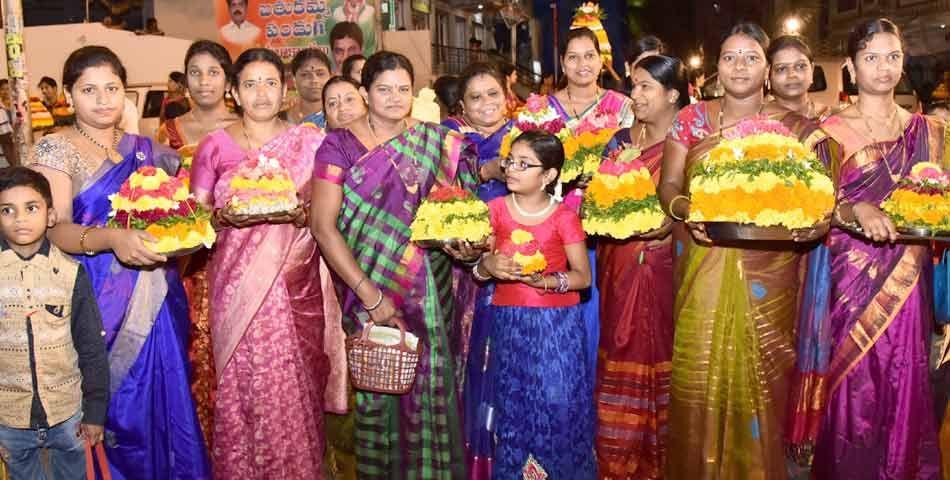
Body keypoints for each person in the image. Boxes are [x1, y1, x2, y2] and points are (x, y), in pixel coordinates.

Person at [28, 45, 210, 479]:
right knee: (112, 407)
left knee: (163, 394)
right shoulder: (56, 150)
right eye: (89, 89)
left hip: (155, 294)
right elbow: (54, 229)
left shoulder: (149, 150)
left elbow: (174, 216)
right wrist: (112, 239)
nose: (103, 98)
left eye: (112, 88)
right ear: (69, 97)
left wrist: (188, 236)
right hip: (94, 298)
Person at [657, 23, 827, 478]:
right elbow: (669, 182)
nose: (739, 66)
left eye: (751, 57)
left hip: (769, 271)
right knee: (699, 366)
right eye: (730, 57)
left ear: (767, 70)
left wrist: (810, 226)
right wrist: (683, 206)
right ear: (716, 69)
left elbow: (816, 198)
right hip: (701, 257)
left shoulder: (796, 129)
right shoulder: (691, 119)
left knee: (764, 374)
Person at [311, 50, 477, 478]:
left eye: (404, 88)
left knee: (430, 386)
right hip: (366, 288)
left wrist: (466, 243)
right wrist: (370, 295)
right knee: (378, 393)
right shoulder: (338, 144)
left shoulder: (434, 140)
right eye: (383, 89)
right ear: (364, 92)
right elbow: (323, 226)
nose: (394, 97)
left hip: (429, 290)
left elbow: (454, 209)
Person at [810, 18, 945, 479]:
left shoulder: (930, 132)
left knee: (907, 376)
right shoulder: (828, 133)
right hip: (850, 280)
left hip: (909, 281)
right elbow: (811, 207)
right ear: (850, 67)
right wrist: (853, 210)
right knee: (853, 389)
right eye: (871, 57)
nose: (883, 67)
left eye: (892, 56)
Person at [190, 48, 329, 478]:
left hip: (295, 282)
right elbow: (194, 221)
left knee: (294, 384)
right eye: (250, 84)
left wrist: (300, 215)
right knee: (243, 386)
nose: (262, 93)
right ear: (233, 92)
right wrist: (221, 217)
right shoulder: (214, 146)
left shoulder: (310, 142)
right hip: (235, 287)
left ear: (286, 89)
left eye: (270, 82)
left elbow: (325, 213)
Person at [473, 130, 594, 478]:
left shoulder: (563, 218)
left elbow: (583, 277)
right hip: (510, 322)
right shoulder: (494, 211)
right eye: (511, 161)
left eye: (524, 165)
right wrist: (487, 266)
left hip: (557, 328)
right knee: (514, 405)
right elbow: (478, 273)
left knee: (558, 403)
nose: (511, 169)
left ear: (549, 175)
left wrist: (544, 282)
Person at [595, 54, 687, 479]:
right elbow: (599, 199)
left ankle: (667, 459)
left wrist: (672, 224)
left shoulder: (688, 143)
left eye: (646, 85)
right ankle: (619, 457)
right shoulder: (617, 141)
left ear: (672, 94)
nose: (635, 94)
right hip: (618, 266)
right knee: (621, 343)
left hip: (668, 267)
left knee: (665, 349)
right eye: (634, 85)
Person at [0, 167, 109, 480]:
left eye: (31, 208)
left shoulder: (70, 273)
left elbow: (91, 347)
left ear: (50, 215)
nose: (20, 218)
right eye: (8, 210)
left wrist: (95, 412)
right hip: (10, 418)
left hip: (67, 414)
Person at [155, 39, 238, 450]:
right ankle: (195, 450)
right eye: (195, 72)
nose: (204, 81)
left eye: (213, 72)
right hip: (184, 259)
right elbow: (153, 194)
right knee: (188, 349)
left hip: (236, 252)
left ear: (227, 79)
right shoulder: (168, 131)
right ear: (184, 80)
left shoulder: (244, 125)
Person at [549, 26, 635, 383]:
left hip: (608, 223)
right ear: (562, 63)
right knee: (561, 302)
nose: (582, 64)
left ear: (602, 62)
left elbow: (635, 157)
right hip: (555, 222)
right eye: (573, 57)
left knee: (603, 308)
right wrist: (565, 175)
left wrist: (605, 173)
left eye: (589, 56)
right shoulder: (542, 110)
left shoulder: (622, 106)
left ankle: (600, 389)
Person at [440, 62, 512, 477]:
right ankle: (469, 459)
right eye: (476, 97)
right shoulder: (451, 144)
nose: (487, 104)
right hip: (460, 272)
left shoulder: (526, 139)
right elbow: (436, 196)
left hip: (512, 267)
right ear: (462, 107)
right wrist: (483, 171)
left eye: (493, 94)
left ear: (507, 96)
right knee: (465, 357)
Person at [767, 35, 831, 121]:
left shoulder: (829, 116)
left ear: (812, 70)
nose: (792, 75)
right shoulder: (758, 121)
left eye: (800, 66)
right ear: (769, 74)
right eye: (781, 69)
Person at [285, 48, 332, 127]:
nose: (314, 80)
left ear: (330, 77)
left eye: (320, 74)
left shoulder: (340, 118)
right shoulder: (281, 119)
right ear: (294, 80)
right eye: (305, 75)